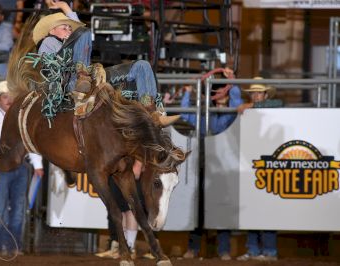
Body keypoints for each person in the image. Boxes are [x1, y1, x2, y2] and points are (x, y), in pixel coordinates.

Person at [33, 0, 180, 126]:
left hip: (93, 79)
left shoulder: (72, 41)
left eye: (69, 28)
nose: (68, 30)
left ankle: (152, 113)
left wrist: (65, 7)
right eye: (64, 27)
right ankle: (81, 79)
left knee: (143, 65)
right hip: (68, 83)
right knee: (84, 32)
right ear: (51, 31)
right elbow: (52, 69)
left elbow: (79, 31)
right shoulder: (48, 42)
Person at [181, 68, 243, 261]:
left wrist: (231, 83)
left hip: (221, 168)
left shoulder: (228, 117)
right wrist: (188, 92)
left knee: (221, 208)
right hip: (204, 166)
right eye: (220, 95)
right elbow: (185, 114)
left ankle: (222, 250)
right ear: (215, 99)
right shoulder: (206, 117)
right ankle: (194, 249)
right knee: (199, 210)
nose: (222, 98)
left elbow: (236, 105)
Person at [0, 81, 44, 255]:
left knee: (18, 208)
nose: (9, 100)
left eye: (11, 97)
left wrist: (38, 165)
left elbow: (31, 143)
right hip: (1, 169)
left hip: (20, 168)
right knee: (0, 208)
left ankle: (13, 246)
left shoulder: (22, 120)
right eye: (5, 97)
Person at [236, 77, 282, 262]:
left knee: (266, 206)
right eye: (253, 93)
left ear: (265, 95)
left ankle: (269, 250)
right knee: (252, 207)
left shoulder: (270, 108)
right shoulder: (250, 111)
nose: (255, 96)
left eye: (258, 93)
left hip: (268, 163)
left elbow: (278, 103)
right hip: (252, 163)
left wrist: (251, 107)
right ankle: (254, 249)